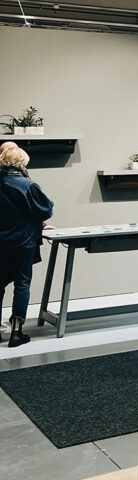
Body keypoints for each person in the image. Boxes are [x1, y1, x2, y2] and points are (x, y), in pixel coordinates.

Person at [0, 142, 54, 347]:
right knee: (22, 284)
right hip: (22, 241)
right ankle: (16, 331)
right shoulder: (27, 185)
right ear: (21, 162)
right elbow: (45, 209)